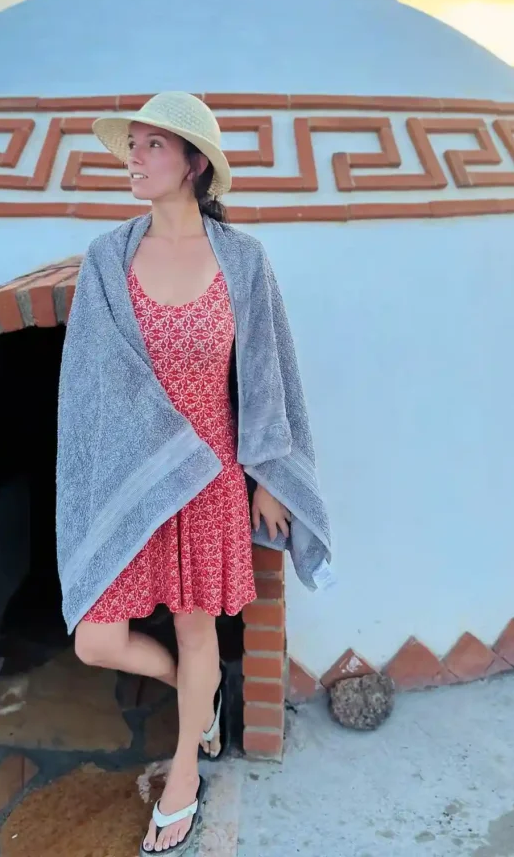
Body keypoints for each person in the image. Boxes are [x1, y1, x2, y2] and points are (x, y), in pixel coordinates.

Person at [56, 91, 331, 856]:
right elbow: (89, 382)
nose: (134, 158)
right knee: (96, 640)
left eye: (152, 145)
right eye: (133, 144)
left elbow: (266, 373)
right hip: (134, 478)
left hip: (210, 476)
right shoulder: (108, 258)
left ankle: (184, 773)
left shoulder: (241, 260)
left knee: (195, 622)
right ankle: (194, 694)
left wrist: (268, 475)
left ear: (193, 164)